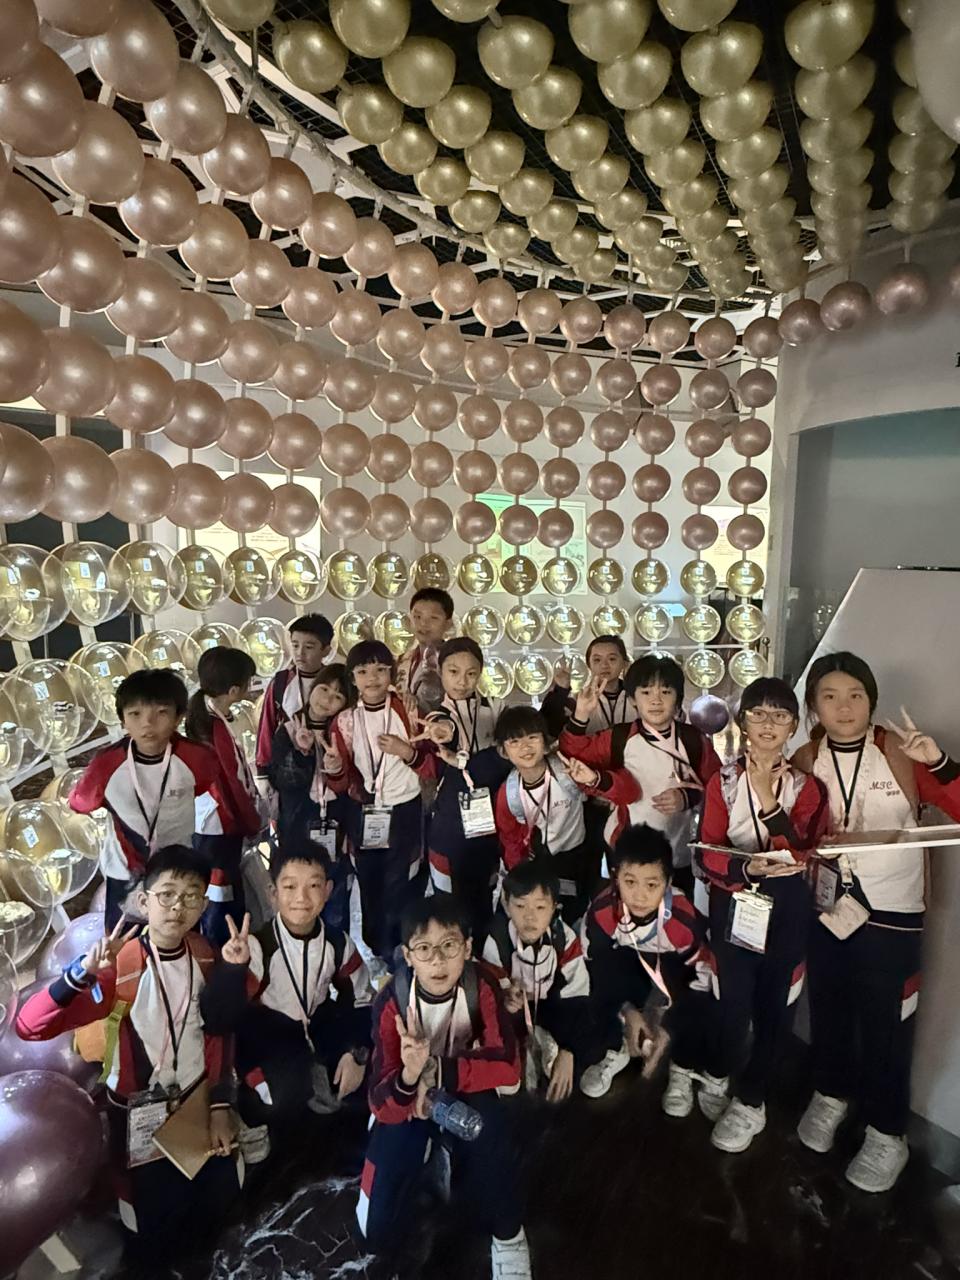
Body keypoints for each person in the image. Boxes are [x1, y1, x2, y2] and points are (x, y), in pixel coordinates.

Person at [15, 845, 251, 1258]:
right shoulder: (122, 965)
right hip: (136, 1111)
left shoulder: (205, 956)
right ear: (144, 901)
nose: (177, 907)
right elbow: (29, 1025)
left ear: (202, 905)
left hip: (194, 1100)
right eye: (167, 894)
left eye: (191, 896)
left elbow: (218, 1034)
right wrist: (80, 974)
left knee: (214, 1196)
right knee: (149, 1218)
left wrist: (219, 1105)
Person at [791, 652, 960, 1192]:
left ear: (872, 701)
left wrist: (938, 762)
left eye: (855, 695)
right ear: (814, 706)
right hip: (825, 909)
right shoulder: (803, 759)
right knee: (830, 1008)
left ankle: (888, 1132)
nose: (844, 707)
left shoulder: (902, 754)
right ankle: (831, 1094)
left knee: (889, 1023)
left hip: (893, 912)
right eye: (830, 696)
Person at [356, 895, 530, 1280]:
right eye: (424, 949)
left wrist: (435, 1071)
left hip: (462, 1083)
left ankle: (509, 1236)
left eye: (449, 945)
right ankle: (432, 1153)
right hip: (409, 1097)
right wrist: (408, 1079)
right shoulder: (392, 1001)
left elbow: (507, 1065)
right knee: (375, 1233)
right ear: (407, 956)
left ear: (467, 948)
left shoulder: (480, 984)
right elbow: (380, 1100)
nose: (437, 961)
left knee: (490, 1135)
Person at [695, 677, 830, 1154]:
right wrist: (742, 868)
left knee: (778, 1003)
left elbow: (801, 851)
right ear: (742, 721)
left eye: (780, 715)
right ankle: (719, 1070)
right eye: (758, 713)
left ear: (794, 726)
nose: (768, 724)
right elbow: (706, 851)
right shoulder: (721, 782)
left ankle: (753, 1100)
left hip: (788, 904)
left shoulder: (807, 787)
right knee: (732, 999)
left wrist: (765, 795)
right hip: (735, 897)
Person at [580, 825, 718, 1110]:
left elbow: (703, 980)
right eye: (630, 882)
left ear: (668, 883)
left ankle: (681, 1067)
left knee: (703, 1001)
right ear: (615, 877)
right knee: (597, 983)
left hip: (673, 966)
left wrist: (670, 1027)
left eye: (651, 885)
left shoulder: (682, 920)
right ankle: (615, 1046)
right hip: (628, 961)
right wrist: (626, 1010)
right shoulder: (603, 912)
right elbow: (596, 968)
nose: (639, 896)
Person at [560, 654, 721, 898]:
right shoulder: (620, 737)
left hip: (677, 849)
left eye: (665, 692)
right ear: (632, 699)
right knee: (627, 908)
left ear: (678, 699)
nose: (656, 700)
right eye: (646, 692)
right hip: (625, 846)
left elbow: (718, 787)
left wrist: (687, 798)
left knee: (676, 910)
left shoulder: (693, 740)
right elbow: (574, 753)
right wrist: (581, 714)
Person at [235, 846, 372, 1132]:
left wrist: (355, 1052)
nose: (302, 898)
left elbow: (361, 1000)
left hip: (321, 1030)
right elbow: (235, 1021)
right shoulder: (258, 947)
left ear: (328, 890)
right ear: (273, 894)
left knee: (361, 1086)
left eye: (313, 886)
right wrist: (252, 1074)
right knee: (279, 1102)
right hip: (270, 1039)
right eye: (290, 887)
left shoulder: (338, 944)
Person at [69, 669, 218, 929]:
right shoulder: (106, 764)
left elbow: (204, 784)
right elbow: (81, 802)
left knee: (179, 936)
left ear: (178, 717)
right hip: (125, 871)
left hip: (177, 870)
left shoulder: (197, 758)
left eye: (161, 713)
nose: (147, 724)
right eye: (135, 714)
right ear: (122, 720)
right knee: (124, 942)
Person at [325, 640, 433, 963]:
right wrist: (334, 768)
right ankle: (377, 951)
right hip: (365, 811)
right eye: (362, 671)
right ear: (352, 678)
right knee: (369, 881)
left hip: (405, 807)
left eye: (380, 670)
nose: (372, 678)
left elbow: (431, 764)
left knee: (404, 879)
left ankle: (404, 948)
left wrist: (407, 752)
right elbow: (341, 781)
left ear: (392, 674)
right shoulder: (345, 721)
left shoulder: (409, 711)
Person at [493, 705, 638, 923]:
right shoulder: (509, 793)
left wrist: (593, 779)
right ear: (503, 752)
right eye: (514, 741)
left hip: (579, 857)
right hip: (540, 861)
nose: (525, 747)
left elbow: (629, 793)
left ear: (546, 744)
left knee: (576, 912)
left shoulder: (567, 771)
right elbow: (510, 836)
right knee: (544, 916)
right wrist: (520, 872)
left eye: (532, 737)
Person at [482, 860, 591, 1103]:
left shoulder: (564, 938)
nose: (530, 916)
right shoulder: (497, 940)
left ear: (554, 907)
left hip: (553, 1007)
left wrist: (569, 1050)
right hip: (517, 1014)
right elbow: (491, 992)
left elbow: (578, 996)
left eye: (540, 907)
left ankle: (551, 1048)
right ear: (506, 904)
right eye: (520, 906)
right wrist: (506, 999)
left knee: (593, 1028)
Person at [425, 637, 511, 944]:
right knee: (448, 902)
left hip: (488, 821)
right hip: (449, 824)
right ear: (440, 672)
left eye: (471, 673)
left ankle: (483, 955)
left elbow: (510, 748)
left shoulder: (496, 708)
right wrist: (442, 734)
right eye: (453, 672)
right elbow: (443, 729)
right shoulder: (434, 716)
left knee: (484, 895)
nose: (462, 681)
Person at [186, 646, 264, 946]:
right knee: (221, 893)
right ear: (234, 690)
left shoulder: (203, 718)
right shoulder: (214, 727)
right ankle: (223, 947)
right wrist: (251, 821)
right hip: (220, 825)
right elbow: (231, 783)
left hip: (207, 821)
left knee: (216, 889)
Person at [267, 664, 352, 932]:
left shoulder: (344, 731)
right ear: (313, 688)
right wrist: (302, 753)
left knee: (334, 892)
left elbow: (352, 783)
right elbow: (282, 781)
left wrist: (337, 769)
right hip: (297, 824)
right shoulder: (288, 729)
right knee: (299, 888)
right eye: (324, 689)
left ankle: (334, 945)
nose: (328, 699)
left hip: (335, 824)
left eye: (338, 696)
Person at [254, 613, 333, 782]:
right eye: (295, 645)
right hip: (289, 766)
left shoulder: (334, 681)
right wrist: (262, 771)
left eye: (309, 647)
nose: (300, 653)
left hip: (329, 763)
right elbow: (267, 724)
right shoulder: (282, 681)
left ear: (326, 650)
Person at [541, 635, 636, 738]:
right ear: (588, 665)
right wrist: (560, 690)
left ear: (624, 663)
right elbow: (550, 729)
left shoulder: (637, 696)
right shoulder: (578, 698)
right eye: (597, 660)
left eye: (612, 659)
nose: (604, 665)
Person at [395, 587, 454, 696]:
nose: (423, 623)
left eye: (433, 618)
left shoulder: (455, 661)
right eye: (417, 616)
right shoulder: (402, 660)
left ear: (448, 623)